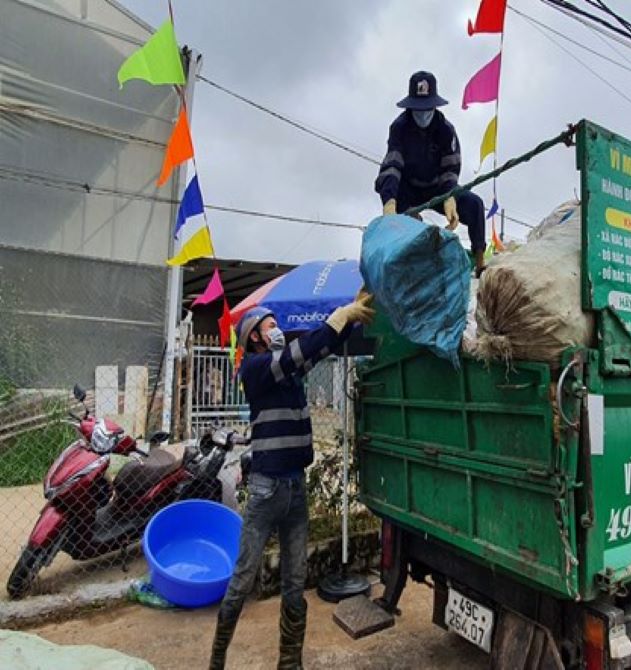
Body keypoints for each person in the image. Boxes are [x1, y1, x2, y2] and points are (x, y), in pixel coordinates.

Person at [209, 292, 374, 670]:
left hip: (295, 488)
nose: (279, 330)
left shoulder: (288, 370)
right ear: (255, 337)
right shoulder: (255, 369)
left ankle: (290, 662)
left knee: (295, 582)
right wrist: (335, 316)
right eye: (272, 326)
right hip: (267, 490)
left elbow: (318, 348)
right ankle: (217, 661)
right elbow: (298, 354)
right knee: (243, 578)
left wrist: (348, 318)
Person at [375, 70, 487, 276]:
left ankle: (480, 262)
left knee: (475, 205)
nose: (423, 114)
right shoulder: (399, 128)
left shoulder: (445, 130)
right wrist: (389, 201)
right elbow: (392, 166)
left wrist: (449, 196)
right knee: (397, 207)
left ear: (435, 106)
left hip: (438, 189)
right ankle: (407, 260)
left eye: (427, 109)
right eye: (418, 109)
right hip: (408, 189)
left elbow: (450, 168)